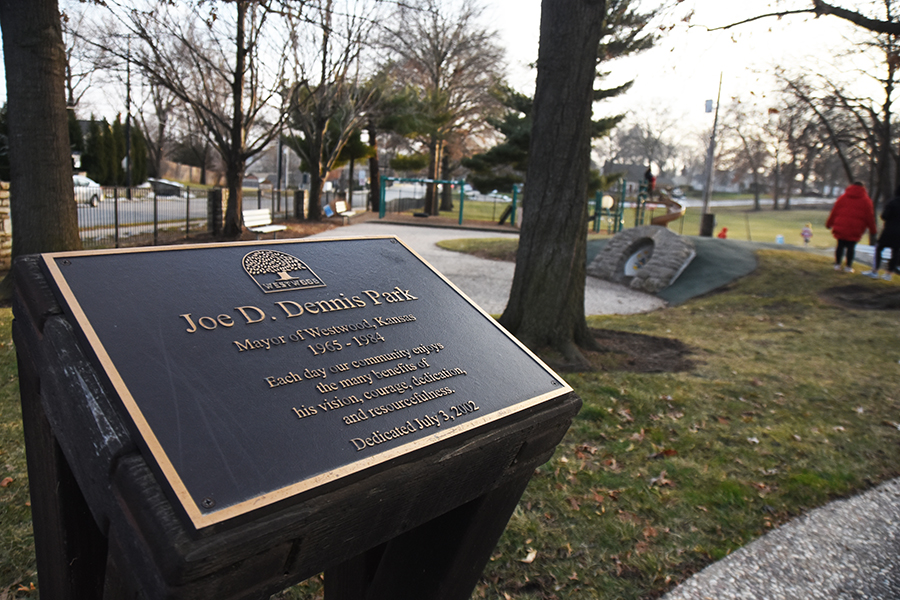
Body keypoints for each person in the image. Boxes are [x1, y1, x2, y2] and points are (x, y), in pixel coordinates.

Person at [825, 182, 877, 273]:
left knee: (840, 246)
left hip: (841, 226)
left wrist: (829, 224)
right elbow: (870, 217)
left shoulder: (843, 198)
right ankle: (848, 266)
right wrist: (873, 230)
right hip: (856, 228)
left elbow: (834, 212)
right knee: (851, 247)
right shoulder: (866, 201)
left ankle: (837, 264)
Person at [862, 185, 900, 281]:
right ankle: (889, 273)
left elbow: (884, 216)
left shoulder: (892, 202)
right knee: (895, 252)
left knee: (879, 248)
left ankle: (875, 271)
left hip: (889, 230)